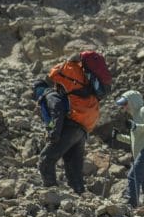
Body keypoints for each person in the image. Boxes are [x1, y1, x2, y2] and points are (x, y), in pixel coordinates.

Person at [35, 54, 104, 194]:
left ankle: (51, 196)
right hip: (83, 129)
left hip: (71, 127)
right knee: (73, 167)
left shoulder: (50, 94)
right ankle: (80, 196)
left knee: (46, 159)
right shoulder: (76, 87)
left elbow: (58, 110)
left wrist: (54, 133)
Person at [115, 90, 144, 210]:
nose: (123, 107)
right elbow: (135, 140)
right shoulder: (135, 117)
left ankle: (130, 206)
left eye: (125, 103)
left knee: (133, 176)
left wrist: (136, 126)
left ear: (133, 101)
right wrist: (118, 137)